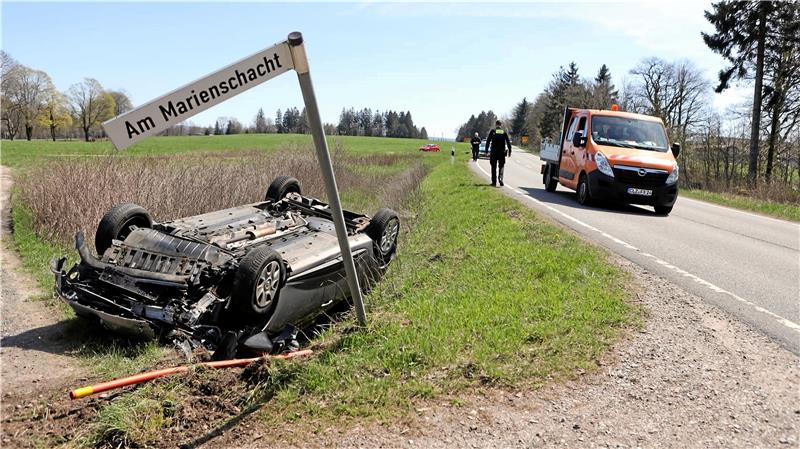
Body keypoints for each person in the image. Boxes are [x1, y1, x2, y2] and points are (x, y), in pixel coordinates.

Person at [484, 120, 512, 186]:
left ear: (496, 125)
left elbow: (488, 141)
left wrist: (486, 151)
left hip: (494, 152)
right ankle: (500, 179)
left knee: (493, 167)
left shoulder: (493, 131)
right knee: (501, 166)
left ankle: (494, 182)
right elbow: (508, 142)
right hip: (502, 153)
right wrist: (510, 151)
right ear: (501, 125)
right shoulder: (503, 132)